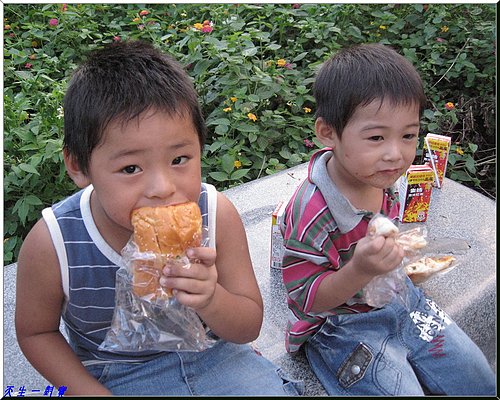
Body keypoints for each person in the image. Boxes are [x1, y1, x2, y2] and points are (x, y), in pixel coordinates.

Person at [15, 40, 303, 396]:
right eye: (131, 167)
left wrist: (211, 298)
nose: (162, 188)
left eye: (179, 159)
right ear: (79, 166)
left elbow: (248, 328)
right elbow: (36, 333)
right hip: (117, 375)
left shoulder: (215, 215)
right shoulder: (54, 243)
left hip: (217, 357)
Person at [280, 43, 495, 396]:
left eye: (408, 135)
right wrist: (360, 270)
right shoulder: (313, 212)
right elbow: (306, 299)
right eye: (376, 137)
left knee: (477, 378)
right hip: (341, 324)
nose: (395, 154)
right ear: (328, 132)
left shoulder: (383, 178)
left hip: (401, 296)